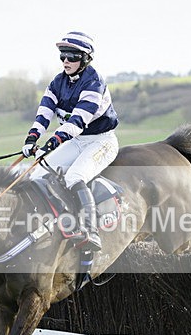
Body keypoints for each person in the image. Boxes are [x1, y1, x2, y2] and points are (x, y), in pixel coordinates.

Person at [23, 32, 119, 251]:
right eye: (63, 56)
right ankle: (57, 222)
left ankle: (90, 231)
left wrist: (50, 144)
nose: (66, 61)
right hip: (76, 141)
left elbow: (77, 122)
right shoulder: (57, 82)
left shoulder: (94, 82)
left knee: (74, 176)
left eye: (72, 56)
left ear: (85, 59)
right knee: (37, 175)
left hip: (101, 141)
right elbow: (44, 114)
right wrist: (32, 138)